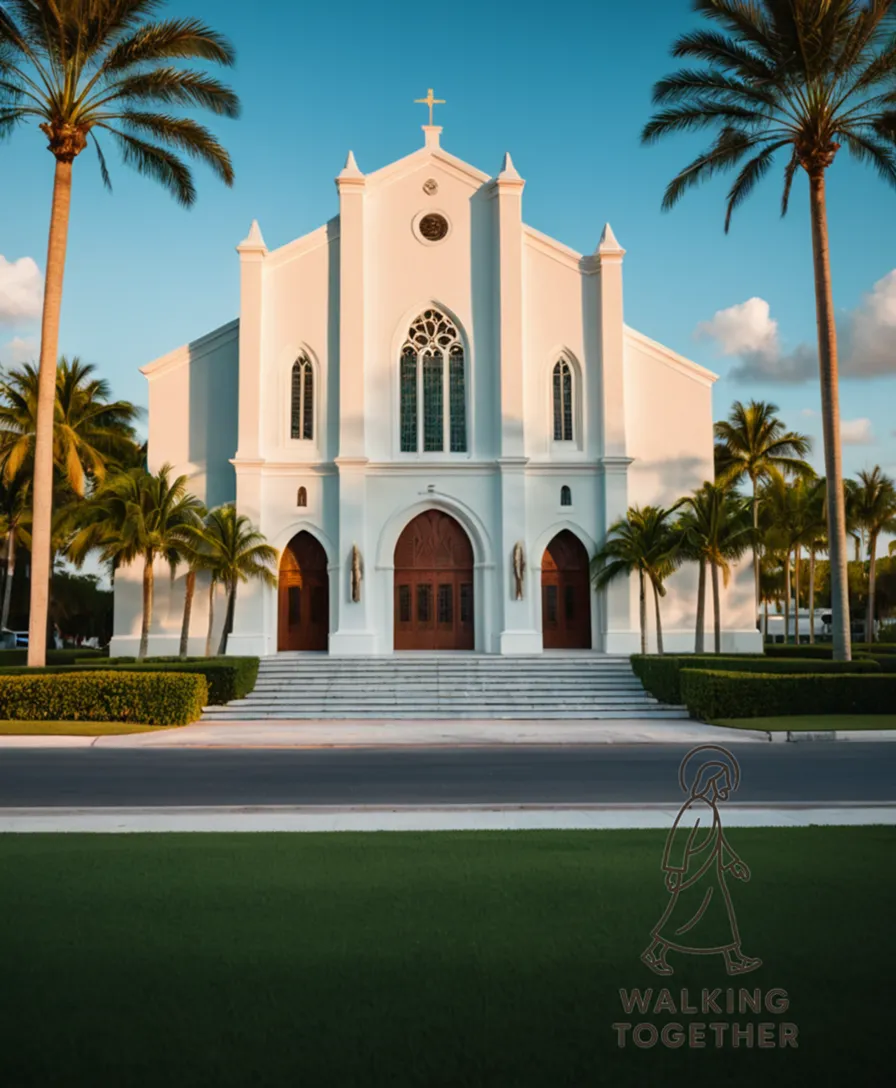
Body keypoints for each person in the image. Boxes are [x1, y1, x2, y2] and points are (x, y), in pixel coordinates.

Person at [641, 751, 761, 977]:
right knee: (683, 915)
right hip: (695, 874)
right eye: (722, 783)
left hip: (710, 875)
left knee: (720, 914)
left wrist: (733, 862)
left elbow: (718, 841)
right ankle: (654, 952)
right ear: (711, 783)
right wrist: (675, 871)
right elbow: (680, 840)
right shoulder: (696, 807)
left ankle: (734, 959)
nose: (726, 788)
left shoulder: (710, 808)